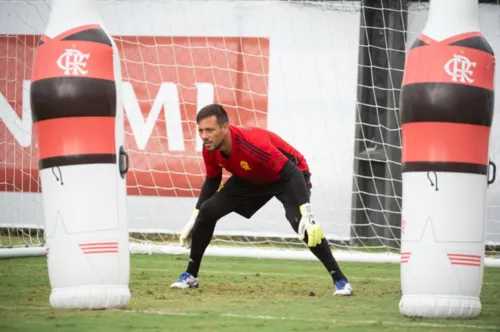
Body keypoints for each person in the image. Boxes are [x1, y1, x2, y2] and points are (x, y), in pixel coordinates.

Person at [171, 104, 353, 296]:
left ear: (225, 128)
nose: (204, 136)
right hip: (252, 176)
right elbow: (212, 180)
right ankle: (191, 276)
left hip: (289, 176)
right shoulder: (209, 148)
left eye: (210, 130)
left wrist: (307, 213)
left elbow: (293, 173)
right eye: (201, 130)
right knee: (207, 210)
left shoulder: (253, 145)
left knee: (302, 225)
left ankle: (340, 280)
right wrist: (195, 217)